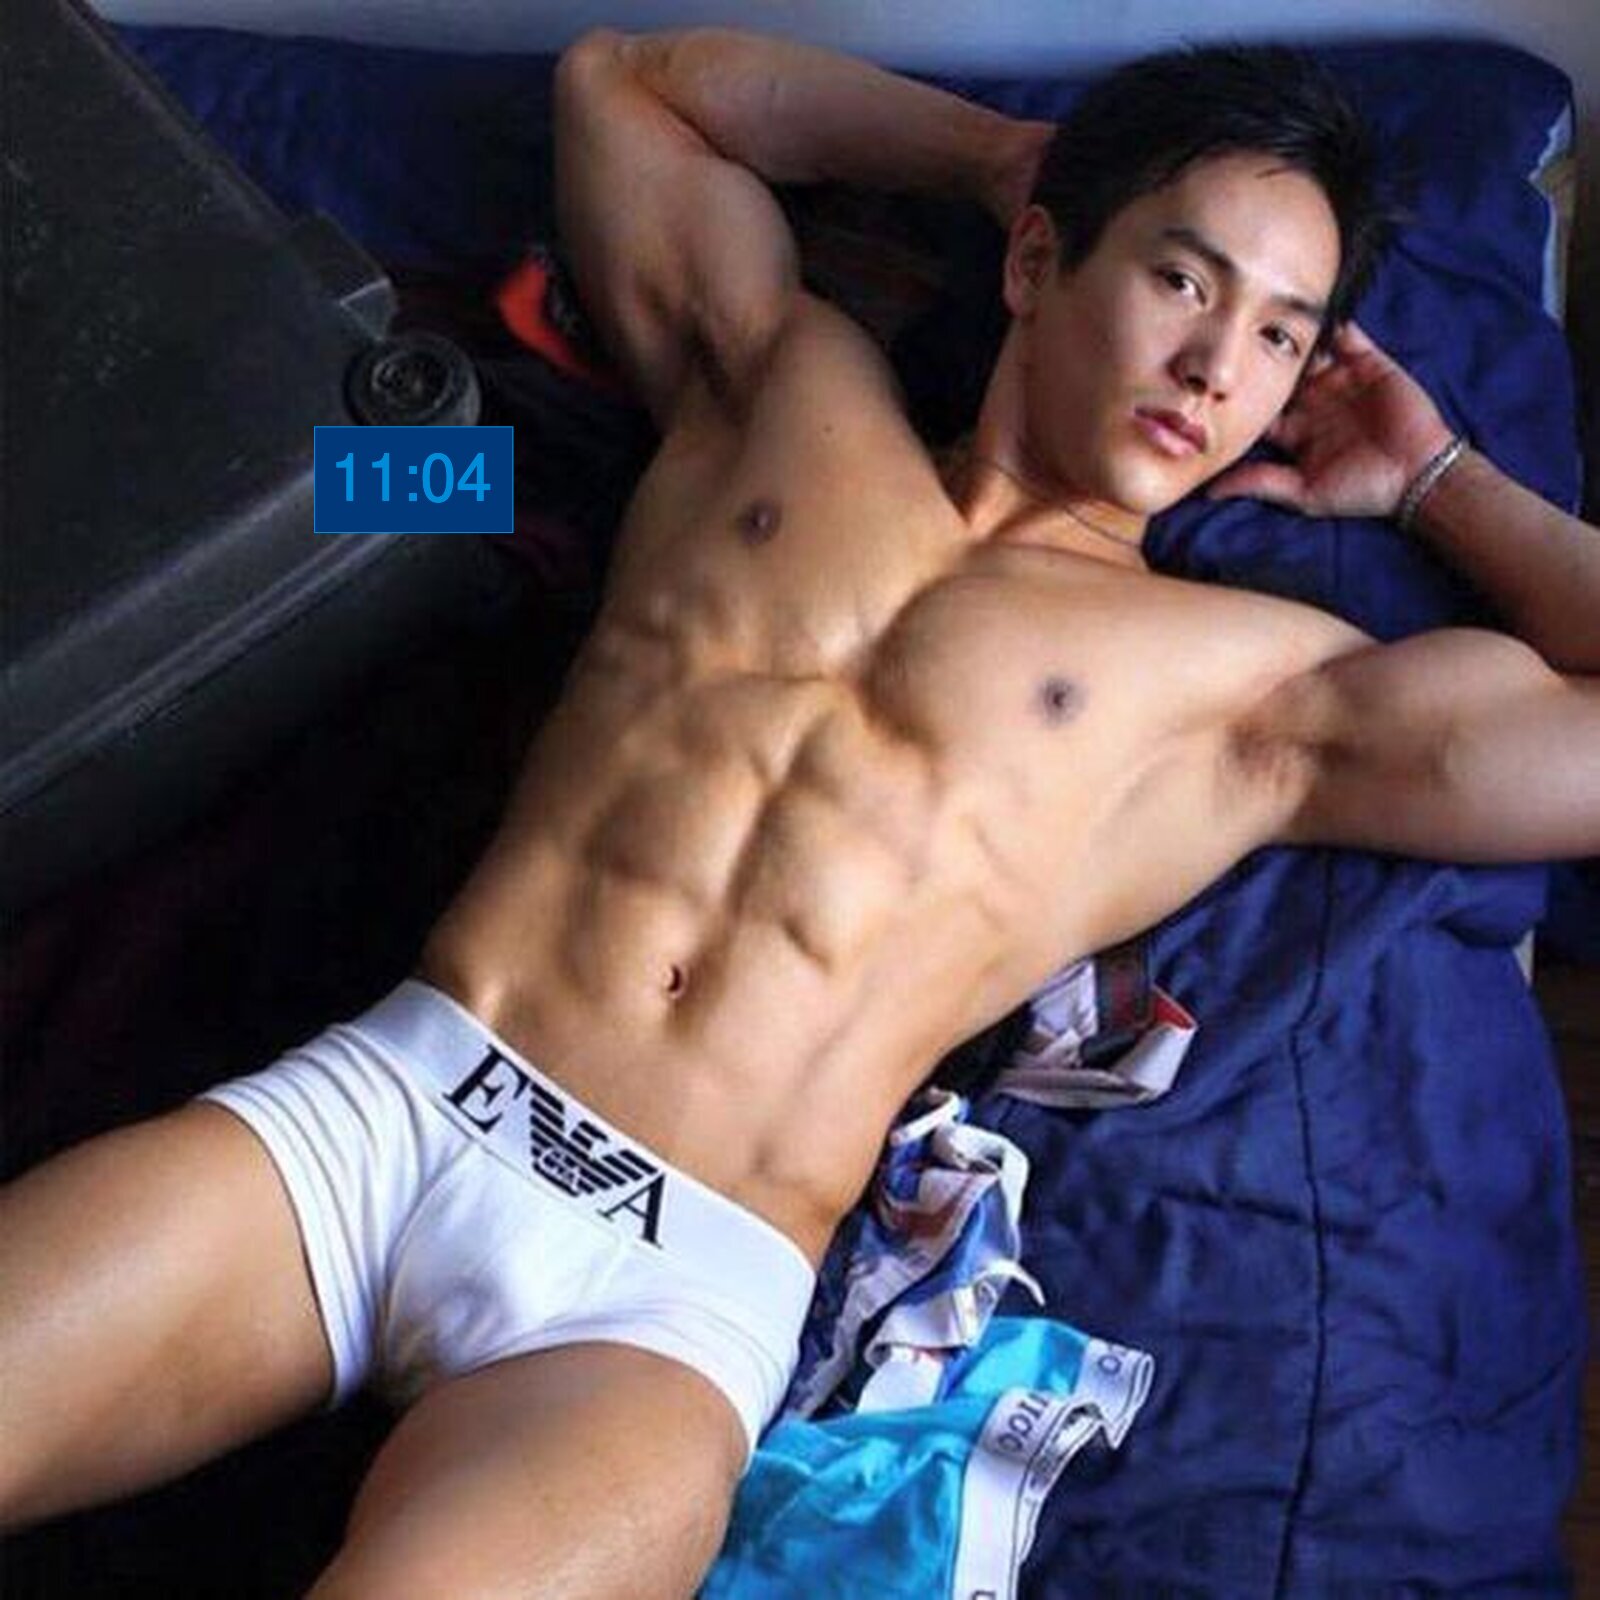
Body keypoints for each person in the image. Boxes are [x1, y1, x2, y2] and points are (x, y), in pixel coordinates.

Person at [2, 26, 1596, 1598]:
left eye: (1281, 338)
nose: (1215, 368)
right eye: (1185, 280)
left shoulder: (1249, 691)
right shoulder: (787, 387)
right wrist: (992, 155)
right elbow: (629, 87)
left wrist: (1437, 476)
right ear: (1039, 261)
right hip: (387, 1111)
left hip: (654, 1308)